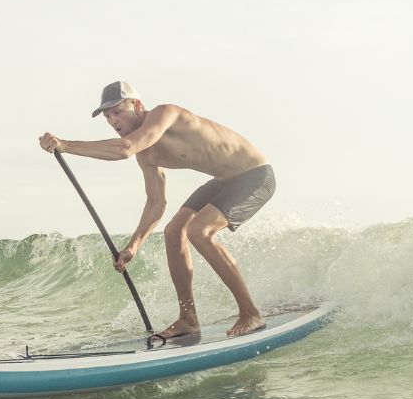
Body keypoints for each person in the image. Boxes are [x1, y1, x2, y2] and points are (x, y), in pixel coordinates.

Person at [39, 81, 275, 338]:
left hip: (254, 175)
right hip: (224, 181)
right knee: (173, 232)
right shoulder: (147, 155)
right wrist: (133, 245)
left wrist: (65, 145)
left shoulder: (166, 114)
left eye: (117, 112)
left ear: (137, 105)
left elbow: (125, 148)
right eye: (107, 117)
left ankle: (251, 313)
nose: (112, 121)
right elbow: (156, 203)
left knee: (200, 231)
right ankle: (188, 319)